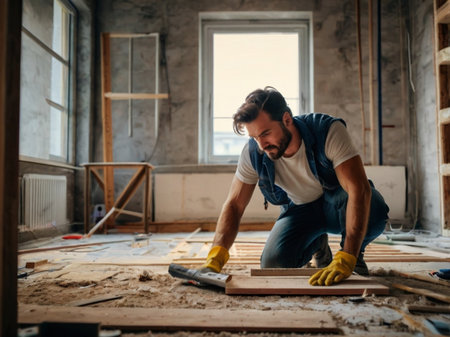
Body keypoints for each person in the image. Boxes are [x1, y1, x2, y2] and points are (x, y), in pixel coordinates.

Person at [201, 87, 389, 286]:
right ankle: (317, 242)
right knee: (273, 265)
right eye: (255, 137)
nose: (262, 145)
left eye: (265, 133)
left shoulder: (327, 131)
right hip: (300, 211)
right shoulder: (253, 153)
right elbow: (234, 205)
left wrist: (347, 256)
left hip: (336, 204)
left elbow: (358, 189)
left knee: (373, 208)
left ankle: (355, 255)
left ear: (287, 120)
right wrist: (215, 257)